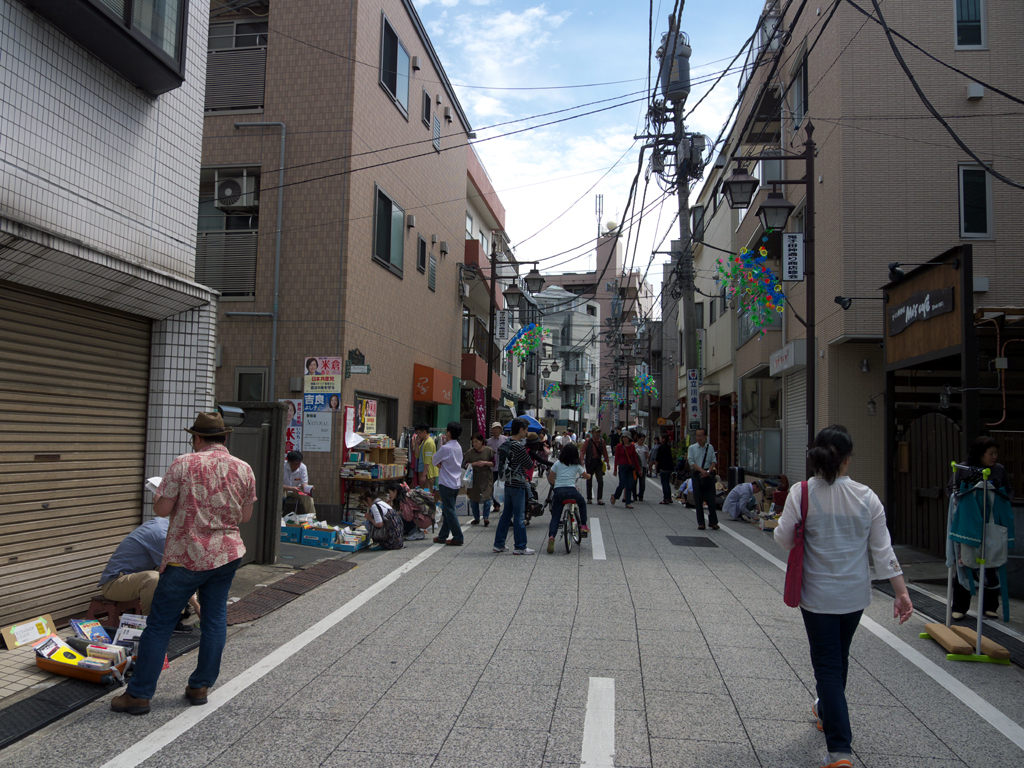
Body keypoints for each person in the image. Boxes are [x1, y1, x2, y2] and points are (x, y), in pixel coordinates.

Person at [775, 425, 913, 768]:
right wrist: (902, 593)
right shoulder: (867, 497)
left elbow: (783, 538)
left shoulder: (802, 492)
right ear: (847, 460)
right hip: (854, 596)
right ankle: (825, 711)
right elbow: (883, 552)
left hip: (817, 596)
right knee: (839, 658)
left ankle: (840, 749)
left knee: (827, 668)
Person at [112, 412, 256, 716]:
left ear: (198, 438)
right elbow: (245, 517)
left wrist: (182, 502)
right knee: (214, 620)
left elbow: (162, 509)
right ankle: (200, 686)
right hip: (227, 554)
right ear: (225, 438)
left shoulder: (184, 463)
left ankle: (138, 695)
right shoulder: (244, 469)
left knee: (160, 624)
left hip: (186, 556)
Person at [946, 436, 1014, 620]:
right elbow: (951, 491)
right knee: (965, 561)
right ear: (979, 454)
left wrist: (1001, 499)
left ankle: (990, 606)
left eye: (996, 453)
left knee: (991, 562)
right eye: (990, 453)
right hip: (968, 522)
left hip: (992, 522)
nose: (994, 457)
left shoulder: (998, 470)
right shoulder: (963, 468)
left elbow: (1009, 490)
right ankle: (959, 606)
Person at [98, 517, 199, 620]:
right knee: (154, 578)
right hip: (113, 585)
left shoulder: (164, 523)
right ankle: (151, 624)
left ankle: (176, 618)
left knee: (168, 572)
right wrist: (197, 606)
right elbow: (178, 574)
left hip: (133, 579)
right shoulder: (161, 537)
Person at [493, 417, 535, 555]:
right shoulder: (518, 446)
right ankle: (520, 546)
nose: (527, 432)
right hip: (518, 484)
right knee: (519, 516)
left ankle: (499, 544)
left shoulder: (506, 443)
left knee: (506, 515)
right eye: (526, 429)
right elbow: (529, 464)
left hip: (508, 482)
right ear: (521, 429)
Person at [546, 442, 591, 553]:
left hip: (558, 492)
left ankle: (552, 537)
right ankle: (583, 525)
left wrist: (555, 483)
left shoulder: (557, 463)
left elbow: (551, 477)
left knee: (556, 517)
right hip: (571, 491)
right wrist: (588, 475)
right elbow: (586, 476)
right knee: (582, 503)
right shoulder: (576, 465)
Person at [431, 421, 464, 546]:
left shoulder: (445, 448)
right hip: (456, 482)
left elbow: (434, 460)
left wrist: (440, 463)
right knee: (448, 510)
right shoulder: (458, 447)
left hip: (446, 482)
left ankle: (458, 536)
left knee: (449, 511)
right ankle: (442, 536)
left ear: (449, 433)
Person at [688, 428, 720, 530]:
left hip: (708, 475)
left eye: (701, 436)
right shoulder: (692, 448)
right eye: (697, 436)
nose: (699, 438)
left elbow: (713, 461)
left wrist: (708, 472)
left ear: (706, 437)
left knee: (711, 499)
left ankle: (713, 522)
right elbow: (691, 462)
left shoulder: (710, 447)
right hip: (697, 474)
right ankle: (701, 522)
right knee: (698, 500)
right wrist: (702, 471)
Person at [463, 432, 495, 526]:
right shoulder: (469, 452)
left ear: (481, 441)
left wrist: (485, 463)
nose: (475, 444)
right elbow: (465, 464)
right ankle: (476, 518)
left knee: (487, 498)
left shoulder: (488, 450)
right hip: (474, 476)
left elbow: (493, 463)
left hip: (486, 476)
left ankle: (486, 517)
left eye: (476, 442)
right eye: (473, 442)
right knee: (473, 498)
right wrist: (475, 464)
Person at [360, 483, 404, 550]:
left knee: (367, 523)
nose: (367, 505)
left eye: (366, 503)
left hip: (391, 542)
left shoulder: (375, 506)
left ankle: (378, 542)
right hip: (397, 541)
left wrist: (370, 519)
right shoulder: (382, 503)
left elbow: (379, 524)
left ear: (368, 499)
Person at [610, 433, 641, 509]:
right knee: (622, 484)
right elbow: (616, 458)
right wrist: (615, 469)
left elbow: (635, 458)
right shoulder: (619, 446)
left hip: (630, 467)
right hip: (622, 467)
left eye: (626, 437)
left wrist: (639, 469)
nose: (624, 439)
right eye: (623, 437)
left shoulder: (632, 447)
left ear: (629, 438)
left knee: (629, 485)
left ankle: (628, 502)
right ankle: (615, 496)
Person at [283, 450, 315, 517]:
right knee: (280, 495)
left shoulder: (303, 467)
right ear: (289, 462)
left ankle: (312, 518)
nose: (297, 466)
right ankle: (279, 517)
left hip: (297, 490)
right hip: (284, 489)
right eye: (295, 464)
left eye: (298, 464)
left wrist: (309, 488)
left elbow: (304, 484)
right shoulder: (282, 466)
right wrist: (290, 488)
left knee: (308, 497)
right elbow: (278, 484)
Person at [582, 425, 610, 505]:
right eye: (596, 432)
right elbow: (583, 451)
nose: (598, 434)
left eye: (599, 432)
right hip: (590, 461)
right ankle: (589, 498)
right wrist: (581, 460)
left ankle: (599, 499)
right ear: (592, 433)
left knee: (600, 480)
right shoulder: (588, 441)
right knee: (589, 480)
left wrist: (607, 463)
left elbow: (605, 452)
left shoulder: (602, 441)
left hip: (598, 462)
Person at [486, 422, 507, 515]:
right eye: (494, 428)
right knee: (494, 485)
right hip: (493, 467)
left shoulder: (505, 439)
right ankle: (496, 504)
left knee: (504, 485)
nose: (495, 430)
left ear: (501, 430)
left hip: (503, 466)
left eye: (497, 428)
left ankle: (505, 502)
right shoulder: (489, 441)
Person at [414, 423, 438, 490]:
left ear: (424, 432)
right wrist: (416, 444)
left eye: (419, 433)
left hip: (427, 473)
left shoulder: (429, 442)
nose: (418, 435)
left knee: (426, 495)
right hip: (422, 471)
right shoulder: (423, 442)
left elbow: (427, 461)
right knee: (423, 494)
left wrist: (424, 475)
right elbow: (417, 455)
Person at [653, 433, 675, 504]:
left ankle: (666, 498)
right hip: (670, 467)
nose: (659, 439)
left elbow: (658, 458)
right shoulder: (668, 446)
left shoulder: (661, 447)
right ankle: (669, 498)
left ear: (663, 439)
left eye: (661, 438)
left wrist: (656, 466)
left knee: (664, 483)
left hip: (663, 466)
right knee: (667, 482)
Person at [634, 433, 649, 502]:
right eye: (641, 439)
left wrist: (647, 455)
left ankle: (641, 495)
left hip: (643, 466)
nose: (642, 441)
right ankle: (634, 495)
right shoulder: (634, 446)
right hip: (635, 466)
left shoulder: (645, 447)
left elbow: (647, 457)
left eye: (643, 440)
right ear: (637, 439)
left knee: (642, 482)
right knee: (634, 481)